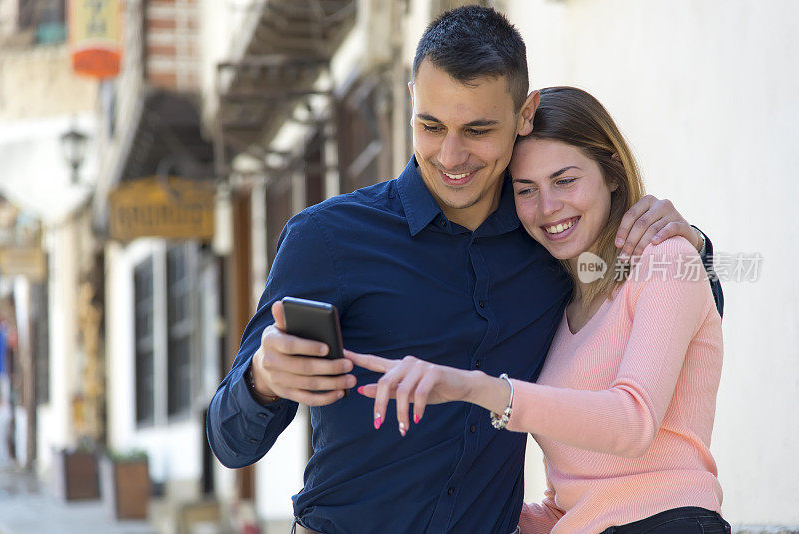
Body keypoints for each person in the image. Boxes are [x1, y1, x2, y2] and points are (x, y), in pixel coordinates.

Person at [206, 7, 722, 533]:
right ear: (411, 99)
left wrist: (690, 243)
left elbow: (658, 315)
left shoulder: (548, 240)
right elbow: (231, 444)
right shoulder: (328, 237)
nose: (451, 155)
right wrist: (263, 380)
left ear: (525, 114)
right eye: (431, 126)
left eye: (477, 129)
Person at [348, 87, 729, 534]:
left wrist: (476, 388)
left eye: (565, 181)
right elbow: (569, 505)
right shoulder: (558, 302)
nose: (548, 208)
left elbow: (632, 422)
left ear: (611, 171)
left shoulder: (667, 259)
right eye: (526, 190)